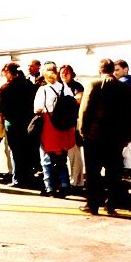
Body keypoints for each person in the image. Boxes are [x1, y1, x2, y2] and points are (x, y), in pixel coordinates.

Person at [78, 59, 131, 215]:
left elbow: (85, 111)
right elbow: (130, 115)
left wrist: (82, 131)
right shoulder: (125, 88)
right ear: (112, 70)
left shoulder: (93, 85)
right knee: (114, 174)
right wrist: (127, 137)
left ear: (100, 70)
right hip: (116, 139)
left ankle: (92, 205)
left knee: (93, 173)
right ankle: (111, 205)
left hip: (94, 137)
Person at [34, 61, 76, 197]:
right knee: (62, 158)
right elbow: (72, 102)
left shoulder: (43, 89)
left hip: (49, 126)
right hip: (63, 127)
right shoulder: (64, 87)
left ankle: (49, 187)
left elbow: (37, 109)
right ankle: (64, 185)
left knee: (46, 159)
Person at [0, 62, 37, 188]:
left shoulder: (5, 88)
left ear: (9, 73)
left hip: (12, 122)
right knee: (27, 149)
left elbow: (1, 108)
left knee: (15, 151)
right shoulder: (29, 85)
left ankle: (18, 178)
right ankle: (28, 176)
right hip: (28, 122)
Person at [59, 64, 85, 189]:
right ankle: (69, 179)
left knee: (74, 153)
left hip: (73, 124)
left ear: (72, 74)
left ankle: (78, 181)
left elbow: (79, 99)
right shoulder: (58, 86)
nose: (64, 74)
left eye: (67, 72)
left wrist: (64, 101)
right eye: (62, 72)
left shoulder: (77, 86)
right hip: (61, 124)